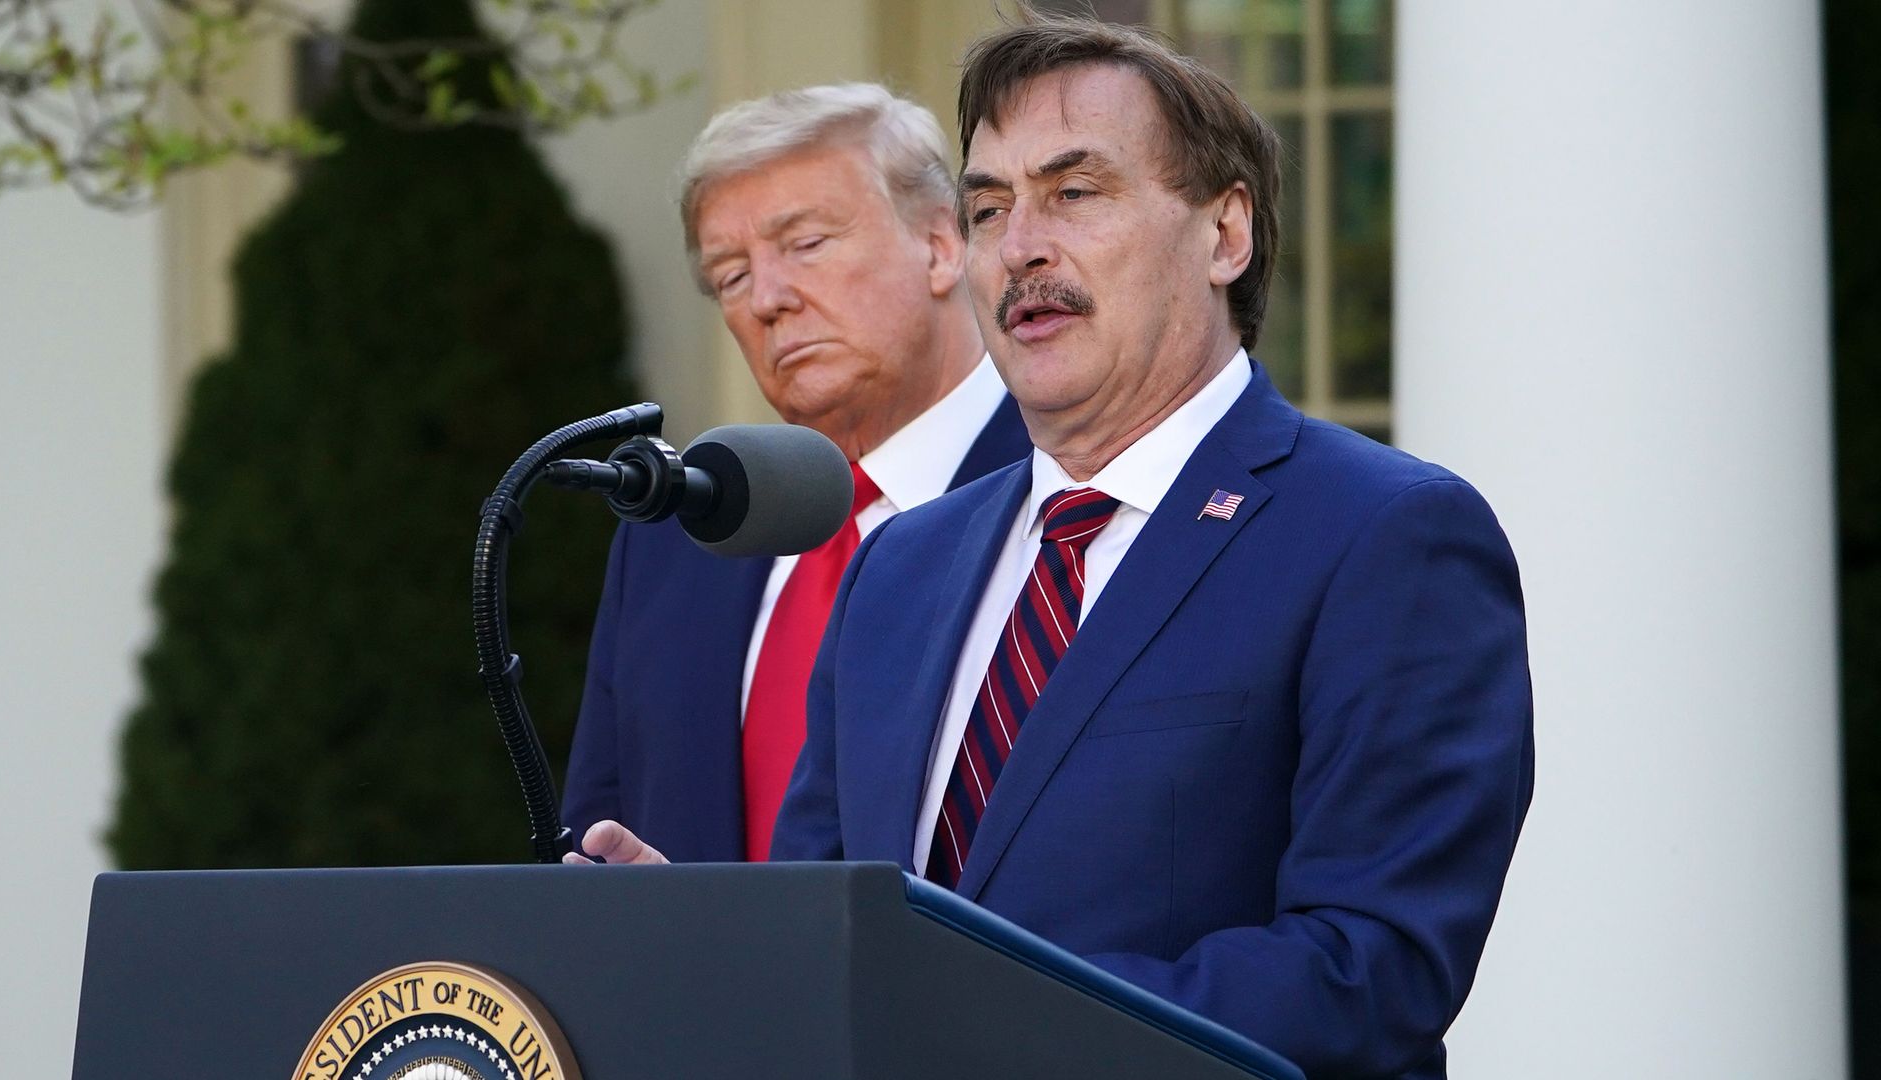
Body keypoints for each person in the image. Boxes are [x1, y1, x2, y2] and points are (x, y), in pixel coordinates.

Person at [575, 18, 1533, 1079]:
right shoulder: (900, 564)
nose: (1021, 245)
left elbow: (1370, 968)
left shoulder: (1385, 536)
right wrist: (707, 938)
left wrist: (969, 1018)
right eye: (989, 207)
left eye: (1075, 193)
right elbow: (830, 929)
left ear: (1226, 235)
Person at [560, 84, 1031, 865]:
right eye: (732, 276)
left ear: (942, 244)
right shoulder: (674, 540)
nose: (769, 300)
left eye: (806, 243)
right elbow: (596, 839)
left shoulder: (1072, 492)